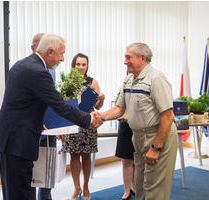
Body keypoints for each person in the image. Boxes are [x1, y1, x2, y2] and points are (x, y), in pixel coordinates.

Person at [0, 33, 104, 200]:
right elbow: (60, 106)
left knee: (15, 192)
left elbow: (26, 103)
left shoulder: (22, 64)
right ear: (50, 52)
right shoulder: (38, 72)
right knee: (20, 194)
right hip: (16, 142)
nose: (63, 59)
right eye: (61, 53)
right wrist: (90, 118)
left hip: (7, 139)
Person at [100, 43, 177, 200]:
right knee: (140, 186)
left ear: (142, 58)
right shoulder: (129, 79)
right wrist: (100, 117)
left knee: (155, 188)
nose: (125, 61)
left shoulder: (156, 78)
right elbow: (119, 108)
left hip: (157, 136)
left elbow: (168, 116)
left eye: (128, 57)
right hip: (138, 137)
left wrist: (156, 147)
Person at [58, 53, 105, 200]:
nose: (81, 67)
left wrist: (102, 99)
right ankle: (76, 188)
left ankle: (85, 187)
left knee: (86, 155)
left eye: (83, 64)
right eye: (78, 64)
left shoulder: (92, 82)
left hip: (88, 122)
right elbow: (62, 106)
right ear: (73, 65)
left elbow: (97, 105)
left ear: (87, 66)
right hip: (72, 122)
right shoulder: (67, 83)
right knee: (73, 156)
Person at [30, 33, 56, 200]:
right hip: (33, 131)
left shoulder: (51, 72)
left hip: (50, 130)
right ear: (34, 48)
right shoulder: (28, 69)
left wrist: (60, 125)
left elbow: (53, 102)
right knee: (31, 174)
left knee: (47, 172)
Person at [115, 117, 135, 200]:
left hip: (141, 124)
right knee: (126, 161)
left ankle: (134, 189)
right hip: (125, 124)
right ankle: (127, 192)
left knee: (137, 161)